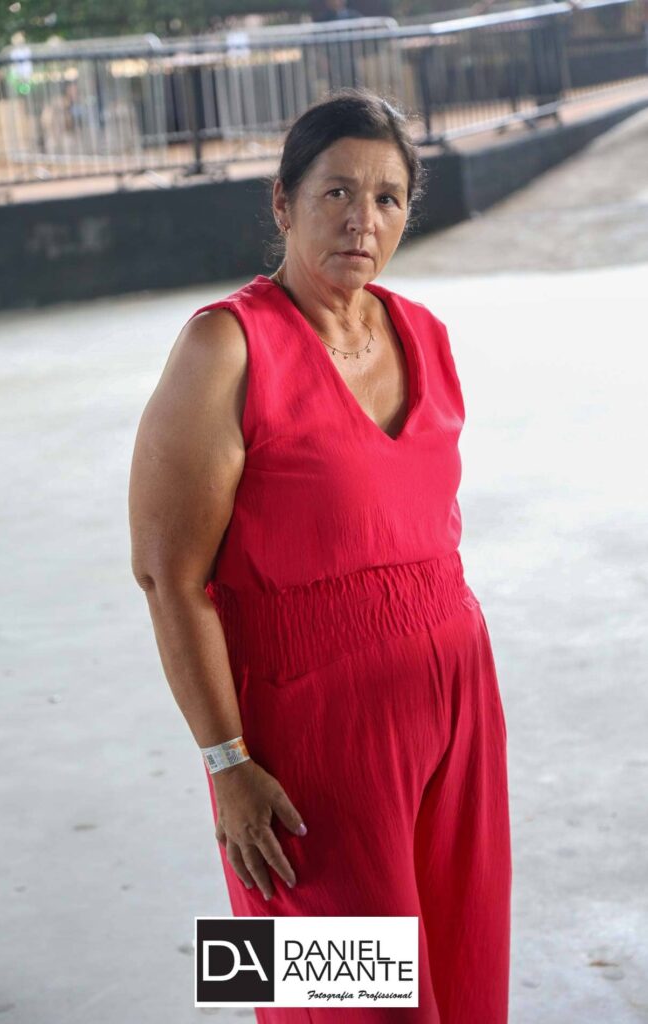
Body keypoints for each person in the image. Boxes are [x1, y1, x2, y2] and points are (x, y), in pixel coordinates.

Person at [128, 87, 512, 1024]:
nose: (361, 219)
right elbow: (166, 576)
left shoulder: (425, 333)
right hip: (305, 734)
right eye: (335, 191)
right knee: (340, 1001)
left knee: (463, 979)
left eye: (386, 197)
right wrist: (225, 766)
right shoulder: (224, 345)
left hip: (459, 707)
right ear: (283, 203)